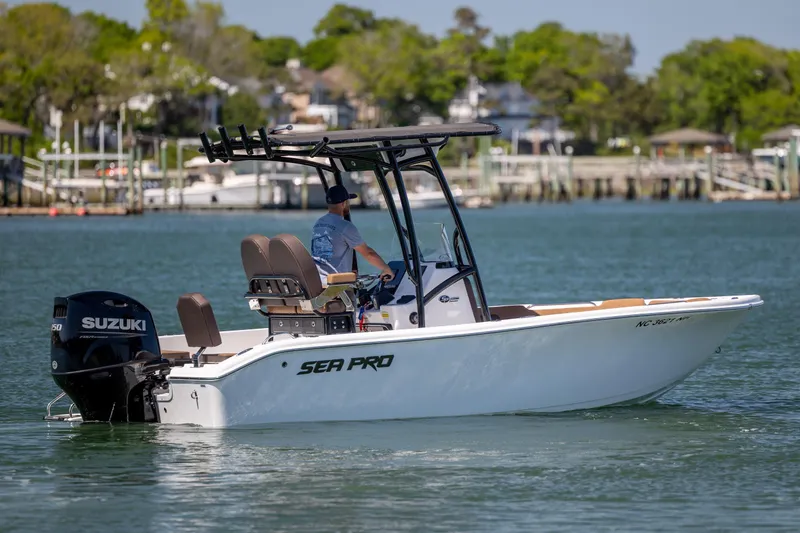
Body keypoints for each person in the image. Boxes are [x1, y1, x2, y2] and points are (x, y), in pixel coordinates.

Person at [311, 185, 395, 283]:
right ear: (343, 203)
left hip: (317, 282)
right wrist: (386, 269)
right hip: (336, 286)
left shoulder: (318, 224)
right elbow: (368, 254)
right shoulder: (345, 226)